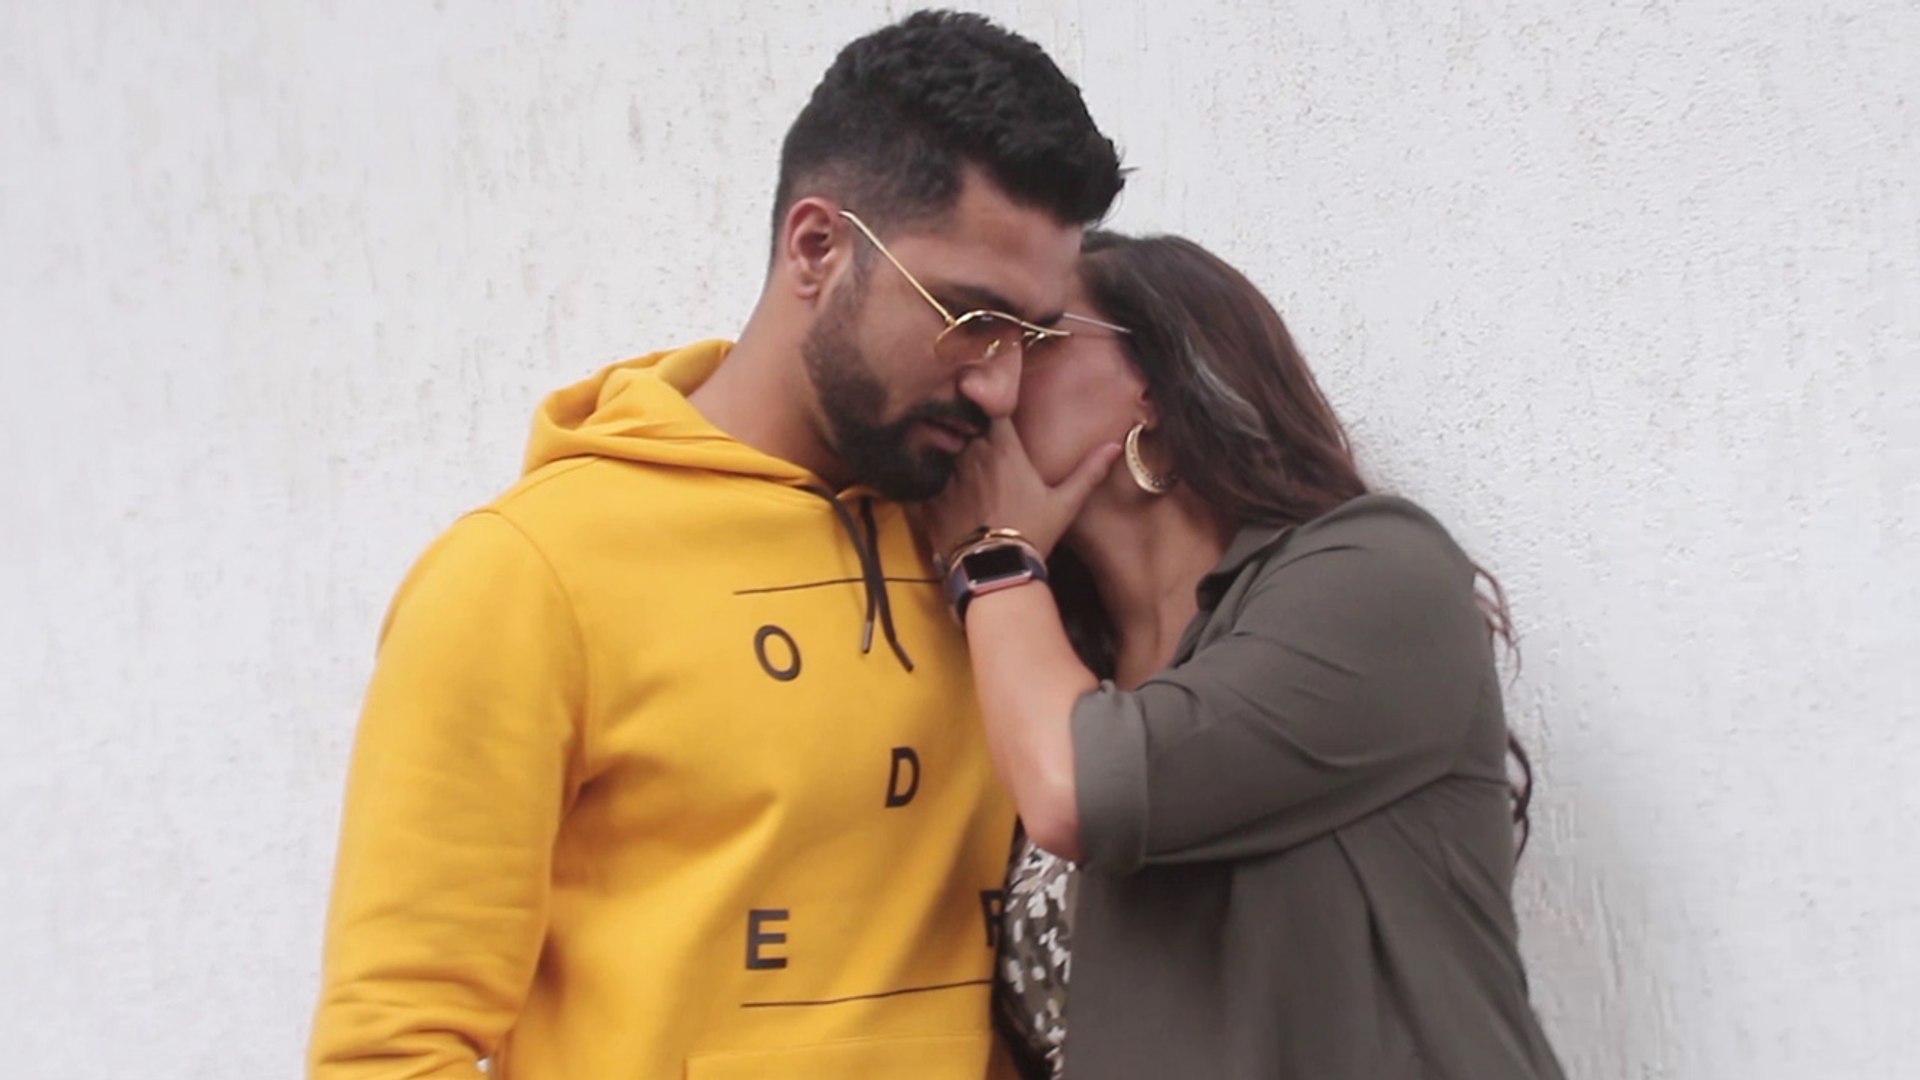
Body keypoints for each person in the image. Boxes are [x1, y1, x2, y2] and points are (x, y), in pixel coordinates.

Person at [307, 11, 1123, 1079]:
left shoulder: (990, 548)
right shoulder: (528, 576)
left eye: (1031, 334)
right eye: (968, 317)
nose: (999, 384)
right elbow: (392, 1044)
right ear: (817, 248)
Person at [918, 231, 1566, 1080]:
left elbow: (1078, 792)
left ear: (1154, 383)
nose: (986, 381)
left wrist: (993, 556)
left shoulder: (1377, 576)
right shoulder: (1043, 662)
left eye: (1032, 338)